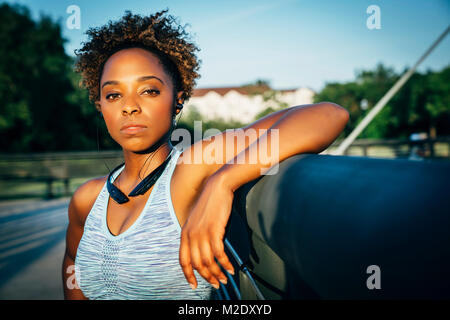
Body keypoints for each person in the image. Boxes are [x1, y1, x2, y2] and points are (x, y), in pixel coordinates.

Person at [62, 9, 350, 300]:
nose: (129, 106)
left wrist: (221, 183)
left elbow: (327, 115)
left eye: (149, 91)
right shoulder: (87, 199)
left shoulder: (190, 169)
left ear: (178, 100)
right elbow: (73, 264)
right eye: (114, 95)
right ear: (100, 105)